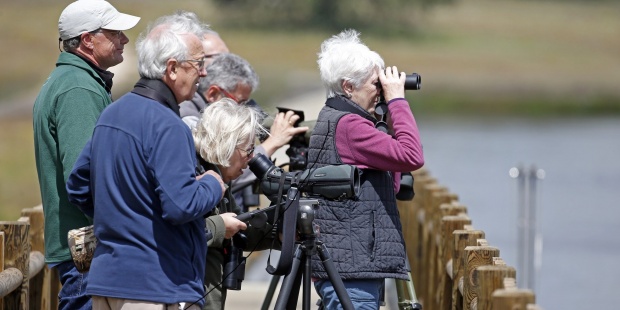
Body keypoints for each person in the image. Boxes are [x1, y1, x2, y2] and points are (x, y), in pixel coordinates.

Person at [65, 13, 227, 310]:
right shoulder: (168, 125)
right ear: (173, 68)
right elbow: (181, 205)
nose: (203, 73)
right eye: (199, 64)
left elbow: (77, 186)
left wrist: (120, 217)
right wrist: (214, 185)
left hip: (105, 284)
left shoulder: (111, 114)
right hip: (153, 288)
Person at [32, 0, 139, 308]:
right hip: (88, 251)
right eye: (116, 32)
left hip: (83, 249)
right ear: (89, 40)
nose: (125, 40)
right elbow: (85, 177)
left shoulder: (73, 81)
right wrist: (127, 229)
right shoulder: (78, 88)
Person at [307, 29, 425, 309]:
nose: (382, 90)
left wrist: (385, 114)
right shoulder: (350, 126)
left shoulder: (342, 119)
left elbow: (393, 183)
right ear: (348, 86)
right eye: (377, 84)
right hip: (351, 270)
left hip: (352, 264)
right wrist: (397, 101)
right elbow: (412, 155)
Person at [180, 51, 308, 210]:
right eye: (240, 102)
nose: (244, 109)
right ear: (213, 93)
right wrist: (273, 142)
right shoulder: (188, 120)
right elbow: (226, 170)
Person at [192, 98, 277, 310]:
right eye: (248, 150)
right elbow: (177, 233)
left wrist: (281, 232)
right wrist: (220, 227)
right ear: (227, 145)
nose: (251, 159)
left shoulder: (220, 181)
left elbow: (241, 229)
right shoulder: (194, 177)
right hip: (189, 298)